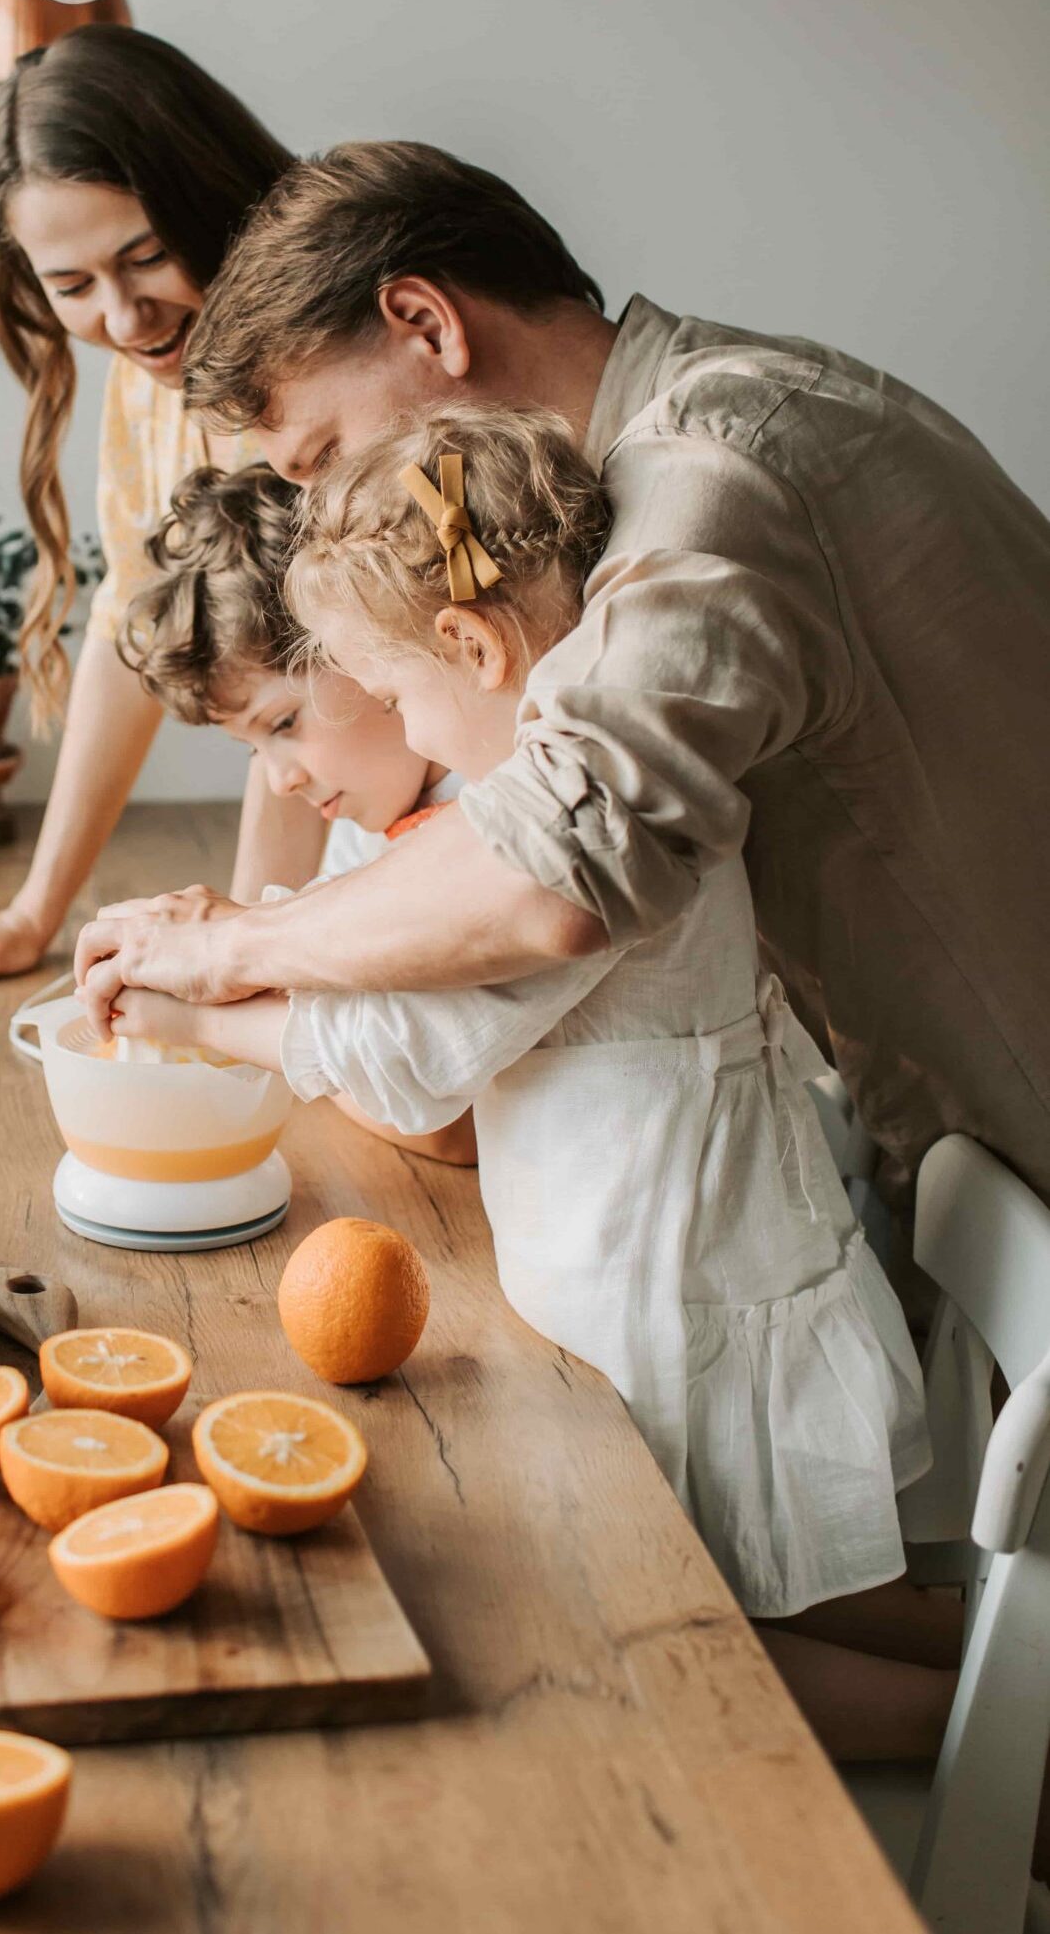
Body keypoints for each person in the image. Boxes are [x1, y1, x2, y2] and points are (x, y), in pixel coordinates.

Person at [114, 410, 955, 1752]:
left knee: (648, 1627)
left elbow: (404, 1063)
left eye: (366, 698)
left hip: (670, 1280)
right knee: (764, 1592)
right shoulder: (478, 784)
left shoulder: (538, 828)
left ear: (460, 649)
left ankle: (1003, 1777)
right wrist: (227, 958)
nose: (369, 735)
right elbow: (378, 983)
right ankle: (998, 1705)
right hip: (640, 1260)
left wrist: (189, 1012)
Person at [75, 139, 1050, 1200]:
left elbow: (555, 863)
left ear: (426, 323)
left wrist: (234, 945)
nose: (323, 516)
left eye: (321, 457)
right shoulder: (657, 460)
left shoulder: (716, 468)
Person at [0, 27, 326, 991]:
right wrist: (31, 913)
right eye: (71, 286)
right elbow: (130, 620)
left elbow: (315, 675)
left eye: (145, 256)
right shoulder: (154, 372)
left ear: (209, 193)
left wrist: (249, 955)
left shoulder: (320, 354)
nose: (126, 318)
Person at [116, 459, 473, 1163]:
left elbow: (445, 1125)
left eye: (280, 724)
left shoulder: (492, 798)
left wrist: (202, 1020)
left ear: (366, 642)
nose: (279, 782)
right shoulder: (364, 822)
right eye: (252, 749)